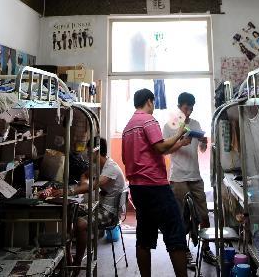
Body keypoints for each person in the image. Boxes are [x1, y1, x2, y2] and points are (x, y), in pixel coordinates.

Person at [122, 88, 192, 277]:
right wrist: (179, 133)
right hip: (155, 186)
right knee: (175, 232)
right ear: (150, 101)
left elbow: (127, 158)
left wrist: (178, 143)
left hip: (136, 188)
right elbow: (160, 146)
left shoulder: (128, 127)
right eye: (153, 103)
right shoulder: (148, 120)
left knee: (144, 236)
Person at [38, 137, 127, 276]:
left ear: (96, 151)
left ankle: (78, 263)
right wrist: (83, 182)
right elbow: (85, 175)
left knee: (81, 224)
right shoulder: (99, 165)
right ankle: (68, 256)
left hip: (110, 212)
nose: (86, 153)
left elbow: (93, 186)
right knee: (70, 211)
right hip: (101, 205)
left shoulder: (111, 168)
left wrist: (71, 191)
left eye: (89, 150)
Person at [163, 92, 218, 268]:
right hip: (178, 177)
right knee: (181, 217)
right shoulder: (170, 125)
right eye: (186, 107)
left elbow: (202, 150)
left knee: (203, 215)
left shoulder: (195, 124)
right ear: (179, 107)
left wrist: (204, 141)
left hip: (195, 176)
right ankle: (184, 251)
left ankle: (206, 248)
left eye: (192, 108)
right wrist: (180, 143)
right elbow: (164, 151)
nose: (189, 111)